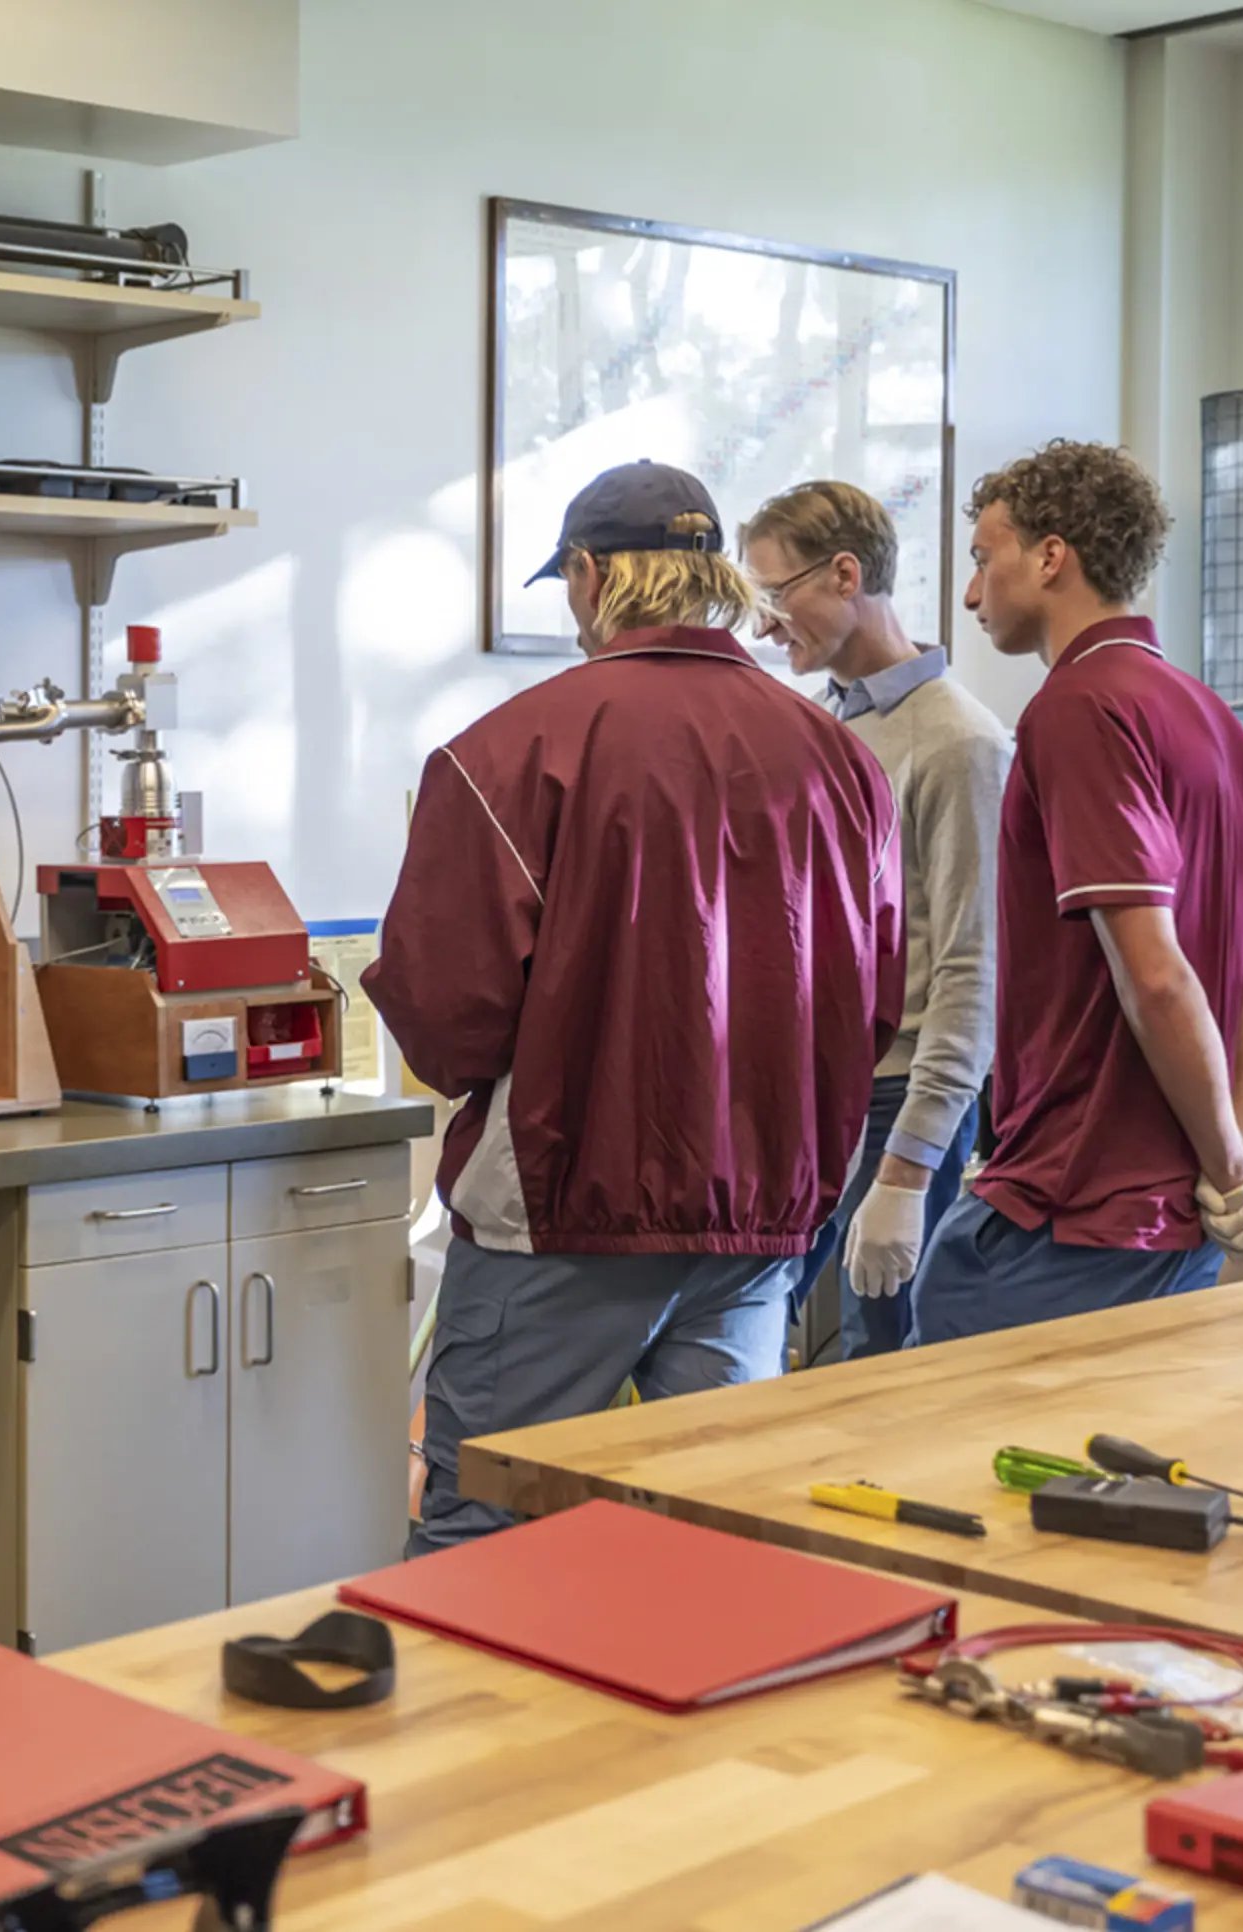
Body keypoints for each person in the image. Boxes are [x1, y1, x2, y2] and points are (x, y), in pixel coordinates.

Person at [369, 461, 901, 1556]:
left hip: (563, 1215)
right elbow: (874, 999)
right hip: (759, 1222)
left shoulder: (507, 754)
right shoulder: (842, 764)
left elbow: (444, 1013)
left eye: (566, 583)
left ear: (589, 574)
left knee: (490, 1535)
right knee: (711, 1543)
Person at [909, 440, 1243, 1345]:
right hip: (1178, 1234)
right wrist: (1232, 1175)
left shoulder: (1078, 709)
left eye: (984, 559)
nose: (973, 594)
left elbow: (1157, 976)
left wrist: (1231, 1162)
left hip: (1066, 1222)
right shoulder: (1217, 724)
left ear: (1051, 556)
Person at [744, 482, 1012, 1365]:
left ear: (845, 575)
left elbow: (974, 970)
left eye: (773, 599)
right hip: (813, 1098)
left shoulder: (960, 745)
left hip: (900, 1104)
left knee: (882, 1365)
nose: (763, 628)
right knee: (762, 1339)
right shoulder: (820, 728)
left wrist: (908, 1170)